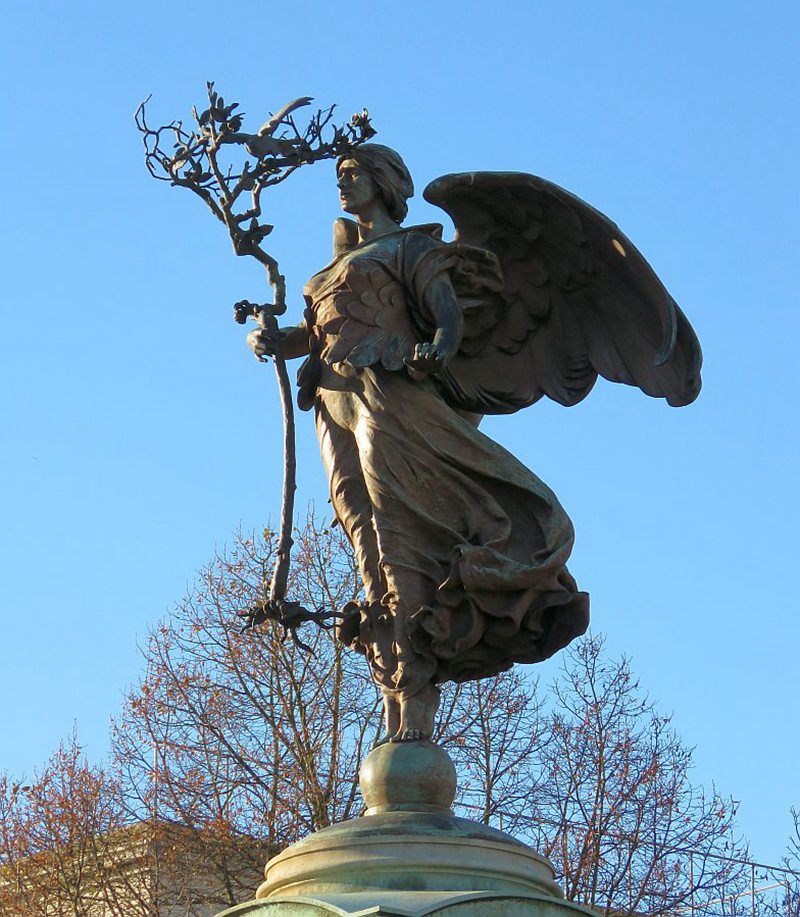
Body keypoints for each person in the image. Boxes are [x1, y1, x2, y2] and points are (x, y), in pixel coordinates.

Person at [249, 145, 589, 743]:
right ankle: (393, 697)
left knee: (399, 535)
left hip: (390, 398)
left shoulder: (410, 248)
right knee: (364, 538)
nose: (343, 185)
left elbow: (445, 314)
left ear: (384, 182)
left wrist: (442, 346)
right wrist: (278, 340)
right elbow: (324, 329)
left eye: (353, 174)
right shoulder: (337, 260)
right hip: (332, 405)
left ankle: (415, 714)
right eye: (339, 176)